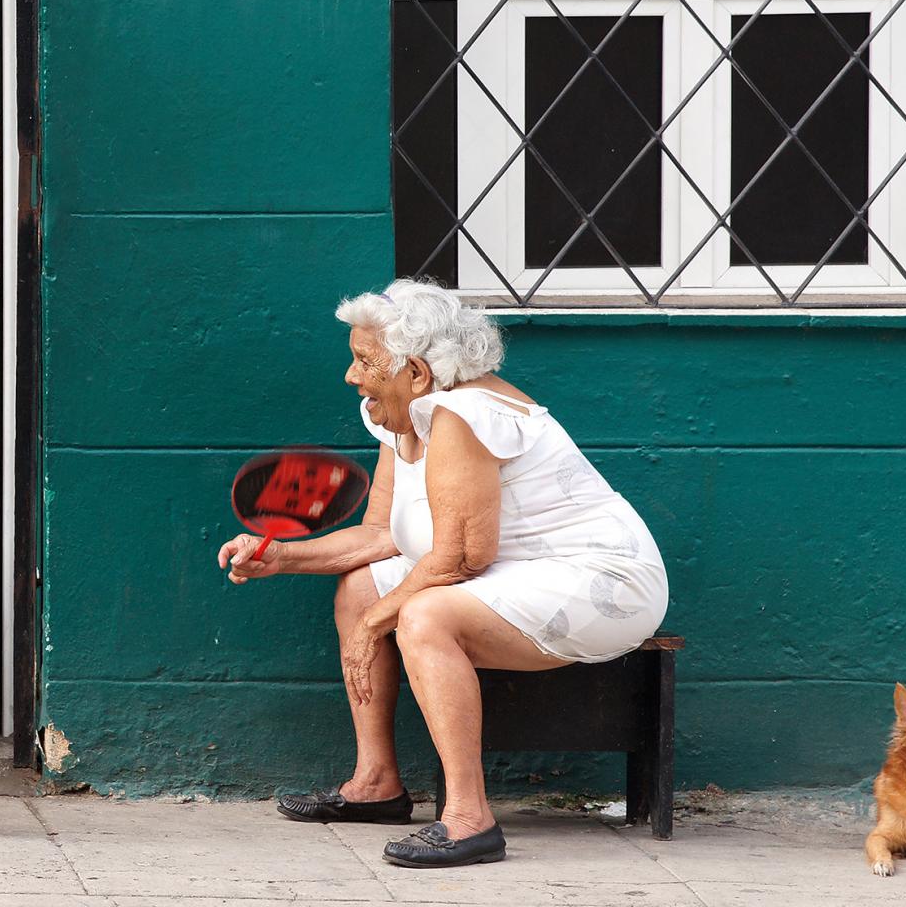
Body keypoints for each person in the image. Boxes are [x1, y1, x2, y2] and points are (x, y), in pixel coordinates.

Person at [217, 279, 668, 867]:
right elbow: (382, 536)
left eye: (363, 361)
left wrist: (379, 621)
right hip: (517, 573)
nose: (352, 377)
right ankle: (376, 783)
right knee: (362, 585)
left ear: (419, 374)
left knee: (422, 613)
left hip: (600, 582)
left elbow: (461, 558)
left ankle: (468, 819)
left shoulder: (462, 413)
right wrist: (283, 556)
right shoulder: (401, 415)